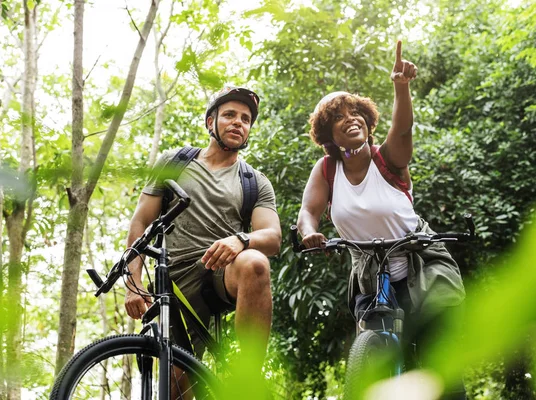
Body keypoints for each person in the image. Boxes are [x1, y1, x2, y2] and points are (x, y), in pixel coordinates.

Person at [296, 41, 466, 399]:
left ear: (368, 121)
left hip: (422, 264)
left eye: (355, 112)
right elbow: (308, 213)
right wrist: (310, 233)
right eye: (339, 116)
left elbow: (402, 131)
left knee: (439, 363)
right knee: (375, 362)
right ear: (329, 134)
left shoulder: (387, 158)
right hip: (371, 274)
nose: (350, 118)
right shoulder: (327, 169)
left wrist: (401, 87)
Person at [124, 86, 282, 375]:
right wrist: (133, 282)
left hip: (220, 275)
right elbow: (140, 222)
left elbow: (272, 237)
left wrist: (240, 240)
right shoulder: (174, 163)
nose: (238, 122)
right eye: (230, 115)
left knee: (256, 263)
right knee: (174, 389)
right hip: (172, 282)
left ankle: (247, 380)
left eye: (246, 119)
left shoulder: (254, 182)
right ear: (211, 122)